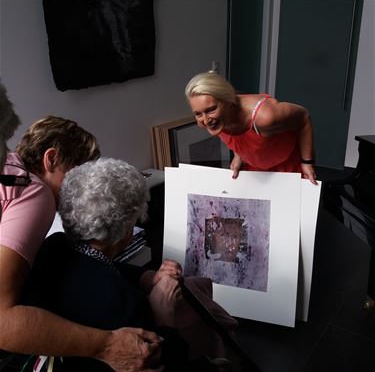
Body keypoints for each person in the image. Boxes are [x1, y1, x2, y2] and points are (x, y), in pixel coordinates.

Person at [22, 157, 229, 372]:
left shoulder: (54, 246)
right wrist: (163, 313)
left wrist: (145, 276)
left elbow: (98, 266)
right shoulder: (123, 303)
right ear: (125, 226)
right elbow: (173, 362)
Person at [0, 114, 163, 371]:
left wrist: (140, 276)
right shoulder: (35, 194)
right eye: (76, 175)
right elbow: (2, 321)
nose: (79, 190)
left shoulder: (8, 167)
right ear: (51, 159)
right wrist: (107, 345)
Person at [185, 71, 317, 184]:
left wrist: (307, 162)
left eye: (211, 110)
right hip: (254, 169)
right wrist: (238, 156)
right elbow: (237, 137)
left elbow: (304, 118)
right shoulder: (217, 119)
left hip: (286, 166)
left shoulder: (264, 117)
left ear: (228, 101)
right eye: (198, 114)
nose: (206, 121)